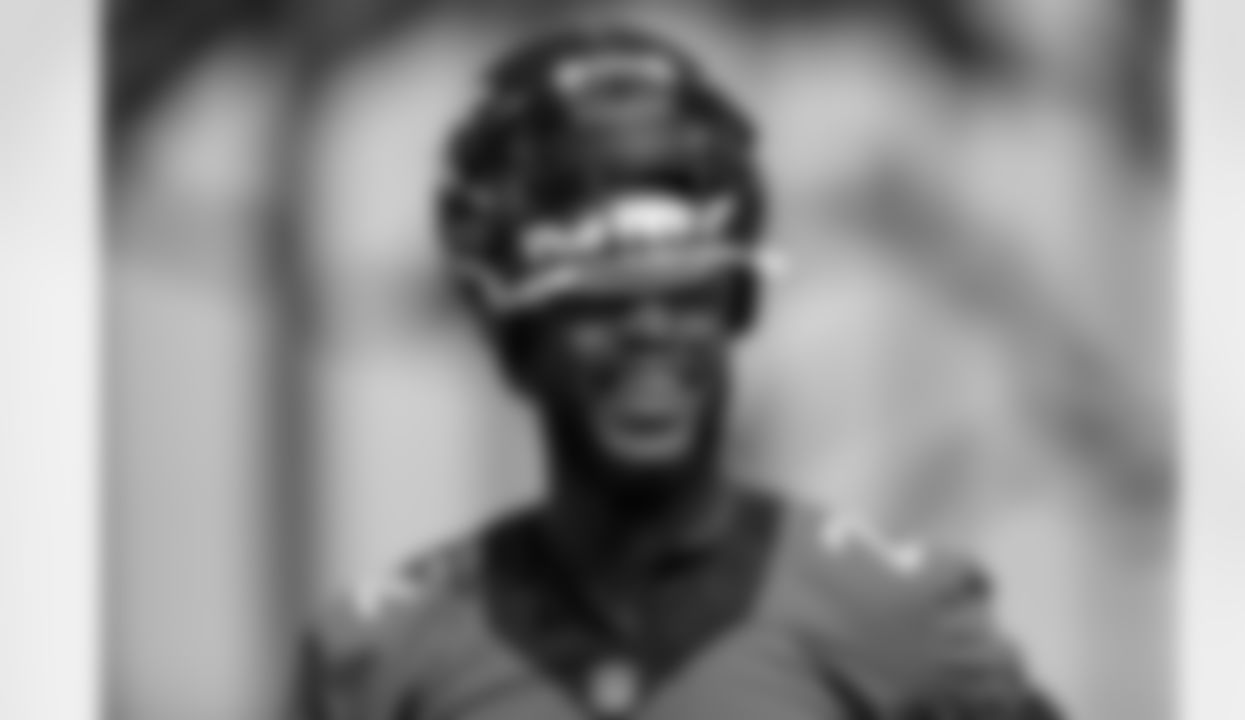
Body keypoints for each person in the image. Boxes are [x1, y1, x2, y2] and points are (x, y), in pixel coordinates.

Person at [291, 25, 1064, 720]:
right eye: (600, 300)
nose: (651, 332)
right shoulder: (380, 655)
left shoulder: (897, 620)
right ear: (516, 333)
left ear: (738, 306)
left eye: (687, 295)